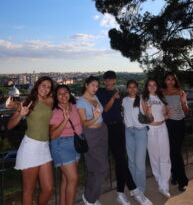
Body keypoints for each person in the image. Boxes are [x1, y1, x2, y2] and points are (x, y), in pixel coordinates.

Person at [96, 71, 152, 205]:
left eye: (111, 80)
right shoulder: (102, 93)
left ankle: (120, 193)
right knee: (122, 160)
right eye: (107, 80)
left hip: (121, 129)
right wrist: (113, 99)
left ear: (115, 80)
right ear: (104, 81)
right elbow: (105, 110)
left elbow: (122, 113)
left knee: (121, 161)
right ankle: (135, 190)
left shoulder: (121, 95)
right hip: (109, 129)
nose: (109, 82)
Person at [7, 76, 54, 205]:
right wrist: (20, 115)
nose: (45, 88)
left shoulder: (50, 101)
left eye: (48, 87)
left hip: (44, 147)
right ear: (37, 85)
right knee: (29, 190)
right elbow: (10, 125)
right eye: (43, 85)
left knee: (48, 188)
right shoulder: (27, 101)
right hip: (30, 147)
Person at [77, 75, 108, 205]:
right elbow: (84, 123)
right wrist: (95, 118)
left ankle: (92, 196)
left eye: (97, 86)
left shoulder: (95, 97)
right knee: (101, 168)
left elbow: (101, 112)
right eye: (93, 85)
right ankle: (89, 198)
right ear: (86, 85)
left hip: (102, 131)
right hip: (91, 134)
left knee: (97, 166)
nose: (95, 88)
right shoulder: (81, 102)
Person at [50, 85, 82, 205]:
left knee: (66, 179)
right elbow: (53, 135)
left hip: (76, 143)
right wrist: (64, 120)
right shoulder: (56, 112)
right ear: (56, 96)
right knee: (73, 179)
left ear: (70, 93)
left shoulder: (75, 106)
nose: (63, 95)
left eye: (66, 92)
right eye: (60, 93)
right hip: (62, 145)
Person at [142, 79, 171, 198]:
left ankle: (165, 185)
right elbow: (146, 117)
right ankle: (160, 182)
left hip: (163, 128)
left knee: (165, 156)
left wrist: (168, 115)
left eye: (154, 84)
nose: (152, 87)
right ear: (147, 87)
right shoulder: (144, 99)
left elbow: (164, 114)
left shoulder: (160, 98)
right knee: (154, 158)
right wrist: (148, 113)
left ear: (157, 86)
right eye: (150, 85)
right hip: (151, 130)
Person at [162, 72, 189, 192]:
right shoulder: (161, 93)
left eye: (173, 79)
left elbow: (186, 110)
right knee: (170, 151)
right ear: (165, 81)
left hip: (179, 124)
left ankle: (183, 180)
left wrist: (183, 101)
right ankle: (175, 175)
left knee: (176, 152)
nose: (171, 81)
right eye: (168, 79)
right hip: (168, 124)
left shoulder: (180, 92)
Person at [122, 80, 149, 192]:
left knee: (139, 164)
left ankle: (141, 189)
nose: (132, 89)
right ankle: (134, 188)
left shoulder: (142, 100)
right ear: (127, 89)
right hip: (129, 131)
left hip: (141, 132)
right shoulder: (124, 100)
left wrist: (148, 112)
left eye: (134, 87)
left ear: (137, 88)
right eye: (130, 87)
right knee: (131, 162)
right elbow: (123, 114)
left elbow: (148, 117)